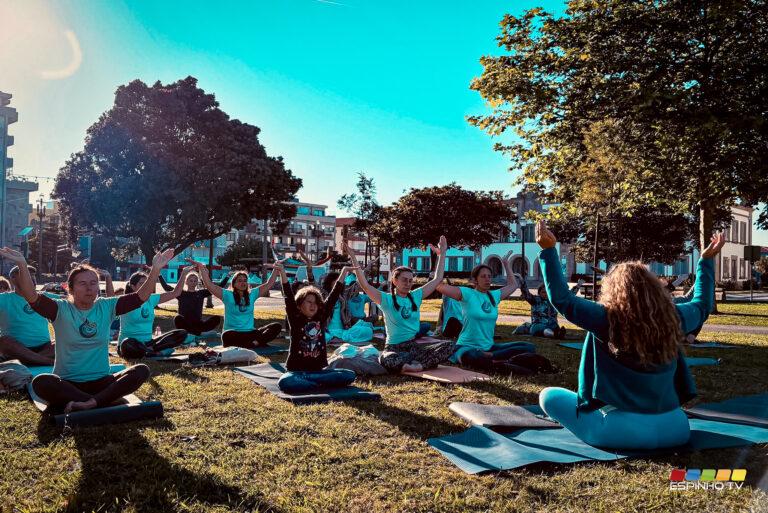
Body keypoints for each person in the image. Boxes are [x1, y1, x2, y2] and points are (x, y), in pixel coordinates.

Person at [534, 220, 725, 450]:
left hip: (621, 432)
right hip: (676, 429)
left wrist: (548, 250)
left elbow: (563, 300)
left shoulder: (606, 319)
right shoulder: (673, 318)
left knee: (548, 396)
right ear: (654, 289)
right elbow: (702, 305)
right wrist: (705, 261)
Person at [0, 246, 175, 414]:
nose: (89, 288)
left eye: (93, 283)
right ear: (70, 288)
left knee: (141, 370)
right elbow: (31, 296)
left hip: (102, 381)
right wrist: (23, 263)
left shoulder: (106, 306)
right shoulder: (60, 308)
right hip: (69, 383)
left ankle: (89, 403)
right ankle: (100, 401)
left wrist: (155, 269)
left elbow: (139, 298)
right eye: (82, 283)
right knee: (41, 383)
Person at [344, 238, 455, 374]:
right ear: (395, 281)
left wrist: (442, 254)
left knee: (449, 346)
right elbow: (365, 286)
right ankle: (416, 364)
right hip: (394, 348)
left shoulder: (415, 296)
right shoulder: (387, 299)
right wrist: (354, 259)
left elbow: (437, 279)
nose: (408, 283)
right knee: (386, 359)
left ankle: (417, 366)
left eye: (410, 280)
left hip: (413, 347)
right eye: (404, 280)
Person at [437, 253, 537, 374]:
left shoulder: (494, 296)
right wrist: (441, 255)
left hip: (489, 348)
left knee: (529, 347)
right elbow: (438, 285)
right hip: (466, 347)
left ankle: (491, 357)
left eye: (489, 276)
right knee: (472, 356)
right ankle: (500, 360)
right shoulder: (467, 294)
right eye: (483, 276)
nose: (487, 279)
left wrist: (506, 263)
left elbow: (513, 285)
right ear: (475, 280)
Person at [276, 261, 357, 392]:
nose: (313, 306)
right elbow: (288, 296)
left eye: (316, 303)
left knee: (349, 375)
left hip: (319, 371)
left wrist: (344, 272)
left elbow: (334, 294)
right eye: (309, 302)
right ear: (299, 305)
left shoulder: (320, 317)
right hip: (297, 372)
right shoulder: (295, 318)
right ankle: (317, 383)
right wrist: (282, 273)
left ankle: (313, 382)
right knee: (286, 382)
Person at [189, 260, 282, 349]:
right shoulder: (227, 295)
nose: (243, 283)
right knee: (226, 335)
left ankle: (254, 343)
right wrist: (201, 267)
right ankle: (255, 343)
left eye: (245, 280)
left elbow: (269, 283)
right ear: (234, 284)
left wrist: (275, 268)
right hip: (233, 333)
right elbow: (209, 285)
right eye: (240, 280)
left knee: (276, 326)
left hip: (250, 333)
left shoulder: (252, 294)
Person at [116, 266, 193, 359]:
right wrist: (108, 278)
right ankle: (154, 352)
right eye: (141, 284)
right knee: (127, 343)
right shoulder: (125, 300)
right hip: (130, 345)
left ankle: (150, 351)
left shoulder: (151, 298)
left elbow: (175, 293)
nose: (145, 287)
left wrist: (184, 274)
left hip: (149, 343)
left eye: (146, 284)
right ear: (132, 286)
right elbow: (109, 298)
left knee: (182, 333)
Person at [0, 266, 57, 366]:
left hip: (44, 346)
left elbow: (71, 301)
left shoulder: (46, 297)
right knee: (4, 341)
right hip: (16, 348)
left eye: (33, 276)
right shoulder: (4, 299)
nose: (32, 279)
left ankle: (26, 360)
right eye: (26, 275)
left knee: (61, 342)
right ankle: (47, 361)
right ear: (13, 279)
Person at [170, 272, 229, 336]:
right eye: (191, 280)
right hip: (185, 324)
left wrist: (227, 277)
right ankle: (198, 334)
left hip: (198, 324)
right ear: (186, 282)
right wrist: (159, 275)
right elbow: (166, 288)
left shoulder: (201, 293)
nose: (193, 282)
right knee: (177, 318)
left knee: (217, 318)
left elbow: (218, 288)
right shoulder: (180, 293)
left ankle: (195, 333)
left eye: (195, 281)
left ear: (197, 282)